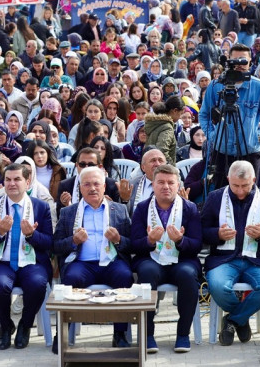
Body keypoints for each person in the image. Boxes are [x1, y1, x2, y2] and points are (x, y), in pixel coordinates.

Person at [53, 167, 133, 349]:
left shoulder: (119, 210)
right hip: (81, 263)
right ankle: (63, 333)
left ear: (104, 187)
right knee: (71, 279)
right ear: (80, 188)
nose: (92, 188)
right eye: (87, 184)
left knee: (125, 276)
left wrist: (119, 240)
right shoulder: (69, 213)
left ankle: (119, 334)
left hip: (112, 263)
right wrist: (73, 240)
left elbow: (132, 245)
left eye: (96, 184)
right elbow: (55, 246)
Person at [201, 161, 260, 346]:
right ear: (228, 179)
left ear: (254, 180)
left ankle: (232, 321)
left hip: (257, 260)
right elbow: (201, 232)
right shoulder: (215, 198)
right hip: (223, 259)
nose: (240, 191)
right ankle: (241, 321)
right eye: (235, 186)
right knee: (218, 286)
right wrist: (217, 234)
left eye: (245, 185)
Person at [0, 163, 54, 350]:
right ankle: (6, 326)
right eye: (8, 179)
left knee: (37, 284)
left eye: (17, 179)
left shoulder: (40, 207)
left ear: (27, 182)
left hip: (32, 262)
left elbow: (49, 243)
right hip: (0, 262)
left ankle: (25, 325)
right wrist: (0, 232)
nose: (12, 184)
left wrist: (31, 235)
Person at [131, 164, 202, 353]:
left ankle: (183, 335)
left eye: (171, 182)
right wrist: (149, 241)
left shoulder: (190, 208)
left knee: (188, 275)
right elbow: (134, 244)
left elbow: (197, 245)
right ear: (153, 185)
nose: (166, 187)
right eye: (161, 182)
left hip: (181, 259)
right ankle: (148, 335)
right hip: (151, 259)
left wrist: (180, 240)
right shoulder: (142, 208)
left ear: (178, 185)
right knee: (146, 272)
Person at [200, 44, 260, 188]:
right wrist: (212, 135)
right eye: (235, 60)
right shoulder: (216, 85)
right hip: (221, 151)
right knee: (220, 194)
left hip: (250, 151)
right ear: (228, 61)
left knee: (249, 194)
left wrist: (259, 135)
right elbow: (204, 114)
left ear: (250, 62)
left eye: (243, 61)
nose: (239, 65)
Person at [56, 148, 121, 216]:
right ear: (77, 166)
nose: (86, 168)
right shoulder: (65, 185)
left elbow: (120, 217)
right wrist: (67, 207)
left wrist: (112, 205)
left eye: (91, 165)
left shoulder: (112, 185)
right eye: (82, 164)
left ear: (99, 166)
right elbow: (59, 217)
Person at [122, 148, 167, 216]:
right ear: (143, 167)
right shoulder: (132, 184)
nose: (157, 164)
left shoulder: (175, 185)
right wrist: (124, 200)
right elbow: (125, 215)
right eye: (153, 160)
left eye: (160, 160)